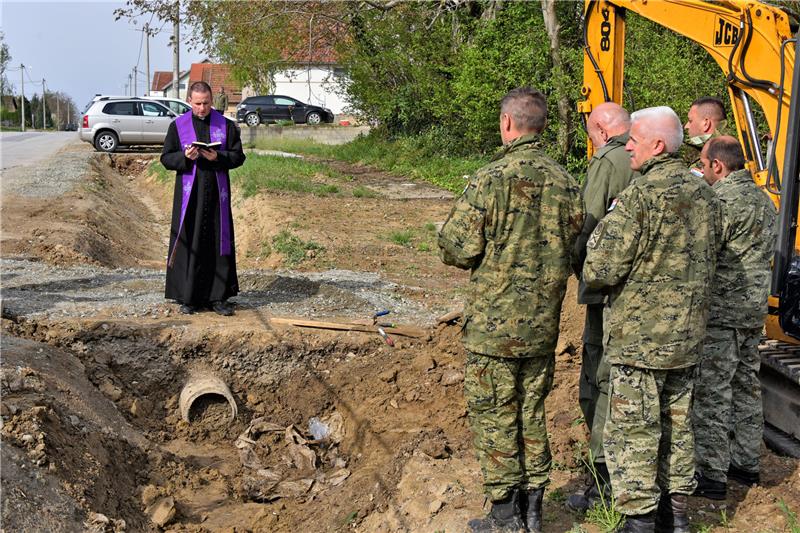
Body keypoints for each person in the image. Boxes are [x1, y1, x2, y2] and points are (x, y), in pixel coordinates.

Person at [438, 87, 583, 533]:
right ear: (542, 125)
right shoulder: (567, 183)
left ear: (507, 123)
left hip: (493, 329)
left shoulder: (490, 180)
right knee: (531, 411)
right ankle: (534, 511)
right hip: (542, 326)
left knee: (495, 415)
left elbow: (457, 246)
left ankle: (505, 516)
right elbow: (577, 241)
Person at [583, 106, 721, 533]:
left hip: (641, 341)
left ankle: (639, 521)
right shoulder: (708, 196)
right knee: (679, 428)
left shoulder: (641, 196)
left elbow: (600, 267)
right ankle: (675, 517)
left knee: (634, 433)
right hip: (688, 339)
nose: (627, 147)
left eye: (634, 141)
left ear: (657, 145)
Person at [692, 136, 777, 500]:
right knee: (746, 387)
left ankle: (711, 476)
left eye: (703, 163)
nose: (702, 169)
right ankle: (746, 463)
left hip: (722, 314)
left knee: (713, 390)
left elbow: (703, 254)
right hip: (753, 312)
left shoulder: (719, 202)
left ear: (717, 166)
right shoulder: (765, 202)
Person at [568, 102, 636, 513]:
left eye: (592, 136)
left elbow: (587, 224)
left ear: (601, 131)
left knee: (600, 378)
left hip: (606, 289)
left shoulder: (609, 161)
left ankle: (602, 474)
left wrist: (581, 273)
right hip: (645, 299)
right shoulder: (662, 160)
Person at [161, 81, 246, 316]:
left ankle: (218, 298)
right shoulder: (177, 127)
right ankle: (189, 297)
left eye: (206, 103)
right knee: (192, 242)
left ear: (212, 101)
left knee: (217, 243)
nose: (202, 108)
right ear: (189, 101)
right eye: (197, 104)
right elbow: (166, 159)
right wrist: (185, 157)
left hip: (217, 198)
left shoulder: (226, 126)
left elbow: (239, 157)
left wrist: (217, 156)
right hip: (190, 198)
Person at [682, 96, 727, 168]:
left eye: (690, 121)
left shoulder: (725, 152)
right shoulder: (738, 144)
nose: (686, 126)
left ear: (706, 123)